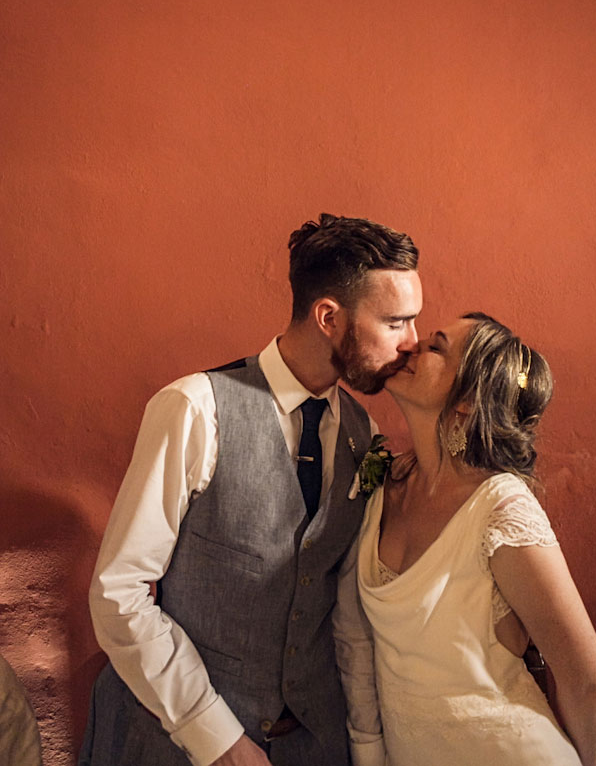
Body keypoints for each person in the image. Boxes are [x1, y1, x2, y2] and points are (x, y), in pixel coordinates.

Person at [79, 214, 422, 766]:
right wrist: (216, 737)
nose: (411, 342)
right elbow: (118, 594)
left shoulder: (365, 436)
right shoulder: (194, 409)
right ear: (329, 317)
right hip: (171, 744)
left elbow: (346, 612)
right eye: (395, 322)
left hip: (310, 745)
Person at [334, 312, 596, 766]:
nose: (412, 345)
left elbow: (589, 680)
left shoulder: (501, 508)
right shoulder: (386, 482)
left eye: (437, 348)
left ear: (465, 403)